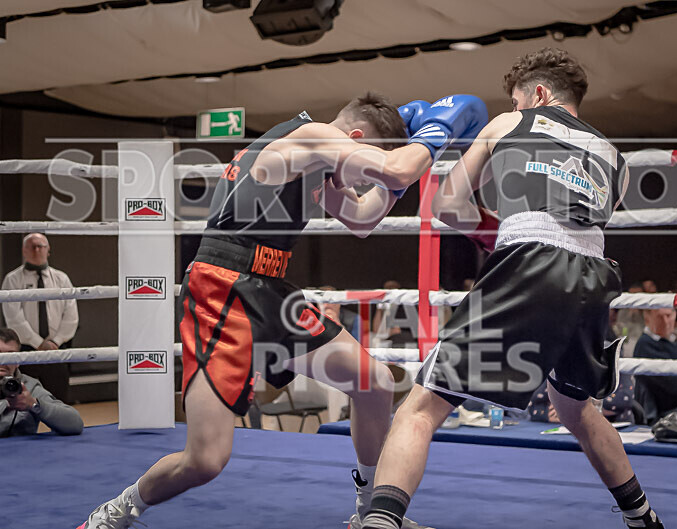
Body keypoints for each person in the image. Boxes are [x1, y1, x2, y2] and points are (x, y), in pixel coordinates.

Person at [76, 92, 488, 529]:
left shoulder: (318, 163)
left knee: (374, 382)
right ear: (353, 138)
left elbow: (364, 220)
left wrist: (397, 178)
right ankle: (118, 510)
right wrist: (433, 135)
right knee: (205, 459)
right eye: (366, 156)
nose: (366, 174)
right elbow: (397, 167)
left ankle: (371, 511)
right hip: (222, 288)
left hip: (270, 289)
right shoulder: (311, 136)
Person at [360, 48, 665, 529]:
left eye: (520, 100)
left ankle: (379, 520)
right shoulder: (616, 159)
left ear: (539, 94)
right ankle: (643, 516)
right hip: (595, 277)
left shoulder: (507, 123)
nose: (516, 108)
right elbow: (577, 221)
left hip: (529, 261)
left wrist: (495, 229)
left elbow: (448, 203)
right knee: (575, 408)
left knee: (421, 407)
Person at [1, 233, 79, 402]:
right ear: (24, 251)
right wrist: (38, 343)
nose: (37, 250)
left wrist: (55, 342)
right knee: (24, 403)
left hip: (56, 350)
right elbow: (14, 317)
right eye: (32, 246)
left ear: (48, 250)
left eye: (40, 246)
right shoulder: (12, 279)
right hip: (27, 351)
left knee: (60, 402)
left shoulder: (61, 278)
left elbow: (71, 316)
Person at [0, 327, 83, 437]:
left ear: (18, 362)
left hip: (21, 451)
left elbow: (75, 424)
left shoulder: (28, 387)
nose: (3, 361)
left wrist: (33, 405)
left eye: (10, 355)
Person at [633, 309, 677, 424]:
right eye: (659, 317)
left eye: (668, 316)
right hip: (670, 414)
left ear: (675, 315)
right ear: (647, 319)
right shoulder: (645, 346)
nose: (666, 321)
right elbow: (676, 384)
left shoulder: (676, 344)